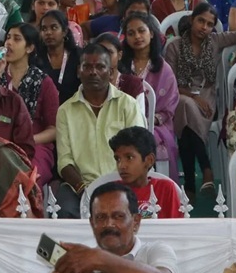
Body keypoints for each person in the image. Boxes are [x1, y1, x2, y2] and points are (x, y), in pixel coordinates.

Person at [164, 4, 236, 201]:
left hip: (208, 98)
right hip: (180, 96)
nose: (204, 27)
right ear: (192, 20)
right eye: (201, 21)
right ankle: (206, 167)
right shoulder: (174, 46)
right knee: (185, 105)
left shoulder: (215, 41)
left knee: (186, 121)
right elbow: (171, 84)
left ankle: (190, 186)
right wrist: (194, 98)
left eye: (210, 24)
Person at [56, 43, 146, 218]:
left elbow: (138, 151)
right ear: (78, 71)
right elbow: (64, 161)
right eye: (87, 67)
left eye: (100, 67)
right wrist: (84, 191)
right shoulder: (65, 111)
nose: (93, 72)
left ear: (111, 72)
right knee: (63, 209)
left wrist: (121, 183)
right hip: (80, 187)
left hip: (123, 181)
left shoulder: (128, 105)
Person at [47, 182, 178, 273]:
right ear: (92, 223)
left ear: (136, 222)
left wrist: (99, 259)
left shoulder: (155, 251)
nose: (108, 224)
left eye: (118, 216)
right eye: (100, 217)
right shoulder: (79, 263)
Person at [120, 13, 180, 181]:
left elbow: (168, 107)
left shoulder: (164, 69)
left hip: (155, 125)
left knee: (147, 140)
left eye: (141, 31)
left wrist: (146, 121)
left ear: (151, 33)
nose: (137, 37)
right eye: (131, 33)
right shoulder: (121, 66)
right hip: (122, 121)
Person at [0, 23, 59, 187]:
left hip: (35, 145)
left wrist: (27, 140)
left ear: (30, 48)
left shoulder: (43, 82)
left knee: (26, 178)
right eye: (8, 38)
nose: (9, 43)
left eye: (16, 39)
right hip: (0, 143)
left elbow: (54, 129)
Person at [110, 127, 182, 219]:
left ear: (149, 160)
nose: (121, 165)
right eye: (118, 159)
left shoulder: (165, 189)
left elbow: (176, 226)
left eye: (129, 157)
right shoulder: (111, 191)